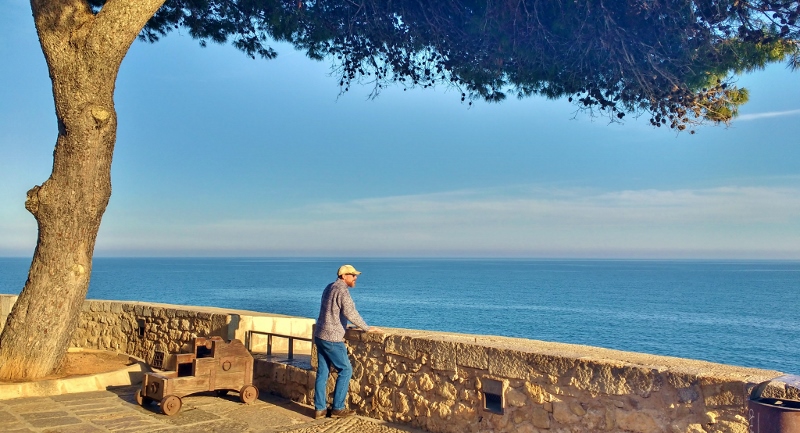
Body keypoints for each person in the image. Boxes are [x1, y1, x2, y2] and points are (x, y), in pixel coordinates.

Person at [313, 264, 382, 419]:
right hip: (332, 338)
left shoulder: (329, 287)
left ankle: (319, 409)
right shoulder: (342, 290)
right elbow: (350, 312)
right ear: (344, 276)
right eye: (352, 275)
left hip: (320, 334)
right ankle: (338, 408)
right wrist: (366, 328)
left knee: (323, 372)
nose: (355, 277)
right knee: (346, 370)